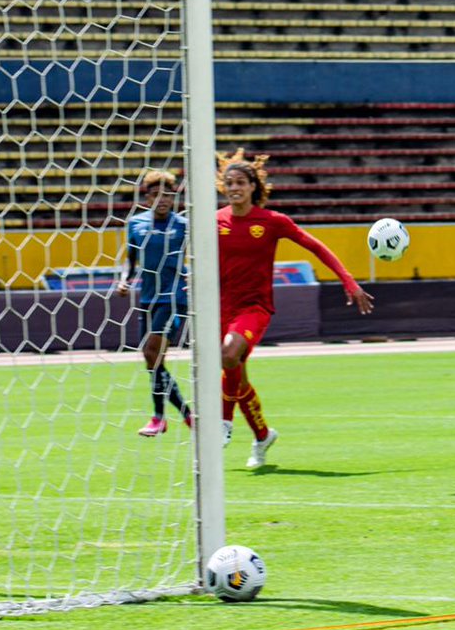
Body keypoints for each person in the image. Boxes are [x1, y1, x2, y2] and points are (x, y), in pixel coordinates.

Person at [217, 149, 375, 468]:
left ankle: (223, 423)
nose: (234, 188)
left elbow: (315, 246)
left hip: (254, 308)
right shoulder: (214, 221)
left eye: (241, 183)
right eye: (229, 183)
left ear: (253, 187)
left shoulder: (272, 222)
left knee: (229, 353)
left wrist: (349, 282)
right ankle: (263, 437)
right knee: (238, 378)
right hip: (220, 308)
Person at [116, 170, 191, 436]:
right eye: (156, 194)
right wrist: (125, 280)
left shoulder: (183, 224)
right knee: (152, 359)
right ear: (147, 198)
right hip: (147, 298)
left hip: (173, 297)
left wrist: (192, 275)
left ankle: (159, 418)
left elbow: (196, 255)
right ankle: (185, 415)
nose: (162, 200)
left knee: (152, 353)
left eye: (167, 195)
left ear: (174, 198)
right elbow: (131, 260)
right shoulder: (136, 224)